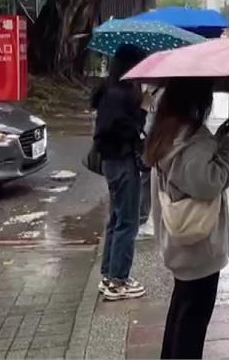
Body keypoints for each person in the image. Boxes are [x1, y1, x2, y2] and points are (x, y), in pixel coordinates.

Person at [148, 78, 229, 359]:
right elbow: (208, 182)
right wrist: (228, 149)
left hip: (180, 243)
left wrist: (217, 141)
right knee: (192, 323)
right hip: (199, 246)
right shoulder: (192, 139)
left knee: (182, 310)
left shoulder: (166, 130)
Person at [90, 44, 148, 301]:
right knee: (128, 221)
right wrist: (143, 109)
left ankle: (109, 274)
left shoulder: (111, 90)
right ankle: (118, 281)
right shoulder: (119, 94)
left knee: (117, 219)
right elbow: (122, 129)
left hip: (114, 162)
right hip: (122, 162)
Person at [138, 86, 161, 240]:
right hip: (151, 140)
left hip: (151, 139)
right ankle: (142, 219)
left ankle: (143, 219)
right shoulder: (154, 93)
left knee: (148, 180)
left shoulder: (151, 91)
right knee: (148, 180)